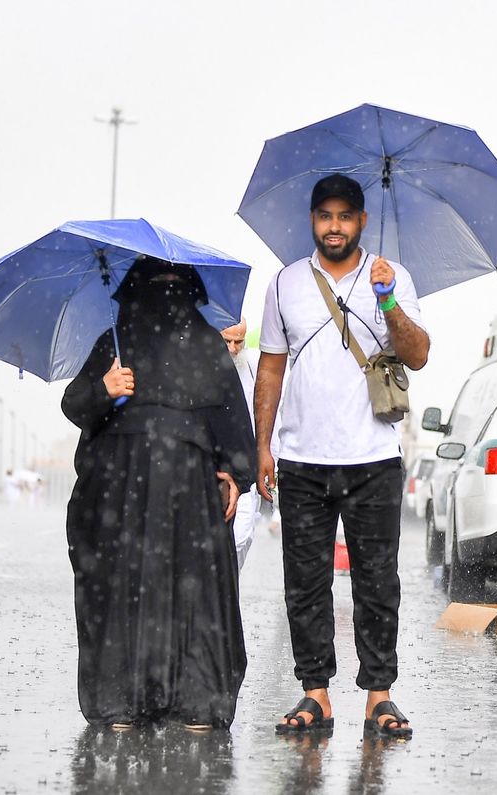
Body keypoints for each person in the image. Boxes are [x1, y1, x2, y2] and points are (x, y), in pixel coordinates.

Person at [254, 174, 429, 739]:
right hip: (301, 459)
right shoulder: (284, 285)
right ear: (312, 220)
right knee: (304, 581)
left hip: (374, 458)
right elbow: (271, 367)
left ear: (362, 221)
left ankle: (380, 696)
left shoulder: (392, 275)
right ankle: (316, 695)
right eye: (325, 215)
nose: (334, 226)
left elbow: (418, 354)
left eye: (345, 216)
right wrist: (262, 444)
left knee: (377, 582)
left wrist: (387, 300)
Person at [62, 255, 256, 731]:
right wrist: (105, 389)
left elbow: (234, 428)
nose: (165, 297)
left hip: (177, 489)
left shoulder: (209, 349)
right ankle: (130, 702)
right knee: (150, 588)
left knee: (179, 590)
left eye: (174, 286)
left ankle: (184, 700)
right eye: (157, 285)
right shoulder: (115, 344)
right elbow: (74, 404)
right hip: (127, 486)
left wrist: (234, 475)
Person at [220, 318, 261, 570]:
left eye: (239, 342)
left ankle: (228, 592)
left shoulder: (253, 367)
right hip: (216, 468)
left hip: (246, 467)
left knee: (242, 537)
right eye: (227, 341)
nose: (234, 348)